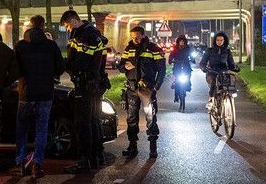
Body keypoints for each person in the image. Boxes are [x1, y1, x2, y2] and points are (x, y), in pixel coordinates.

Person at [13, 15, 64, 178]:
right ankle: (37, 165)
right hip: (45, 93)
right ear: (43, 27)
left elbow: (16, 69)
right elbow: (60, 68)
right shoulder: (51, 45)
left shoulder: (20, 45)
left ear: (30, 26)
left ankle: (21, 163)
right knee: (41, 130)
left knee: (22, 128)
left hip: (26, 93)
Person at [60, 10, 107, 174]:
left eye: (66, 25)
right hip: (93, 84)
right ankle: (96, 156)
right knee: (93, 120)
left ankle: (84, 160)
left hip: (85, 84)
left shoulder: (85, 35)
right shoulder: (89, 32)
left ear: (72, 20)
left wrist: (65, 65)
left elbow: (82, 62)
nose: (67, 29)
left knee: (83, 123)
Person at [118, 26, 166, 159]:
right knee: (131, 119)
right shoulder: (129, 48)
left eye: (137, 36)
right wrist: (124, 67)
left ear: (144, 35)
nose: (135, 39)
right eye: (133, 36)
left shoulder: (153, 48)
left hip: (147, 88)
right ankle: (132, 146)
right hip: (132, 88)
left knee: (150, 117)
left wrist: (156, 86)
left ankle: (153, 147)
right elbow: (120, 65)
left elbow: (162, 69)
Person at [199, 31, 238, 109]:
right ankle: (211, 100)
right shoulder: (209, 50)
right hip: (212, 72)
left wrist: (234, 68)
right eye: (217, 40)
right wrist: (204, 68)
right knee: (214, 83)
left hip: (223, 72)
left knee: (229, 82)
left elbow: (231, 64)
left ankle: (228, 99)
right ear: (215, 41)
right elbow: (202, 62)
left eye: (221, 40)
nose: (219, 42)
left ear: (224, 41)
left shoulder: (227, 51)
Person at [168, 35, 193, 102]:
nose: (182, 42)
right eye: (180, 41)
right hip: (177, 66)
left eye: (183, 41)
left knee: (188, 76)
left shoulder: (188, 48)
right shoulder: (175, 48)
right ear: (178, 41)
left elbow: (191, 55)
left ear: (185, 42)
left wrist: (193, 59)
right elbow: (171, 55)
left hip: (186, 65)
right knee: (177, 81)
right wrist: (170, 60)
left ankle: (188, 86)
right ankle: (176, 96)